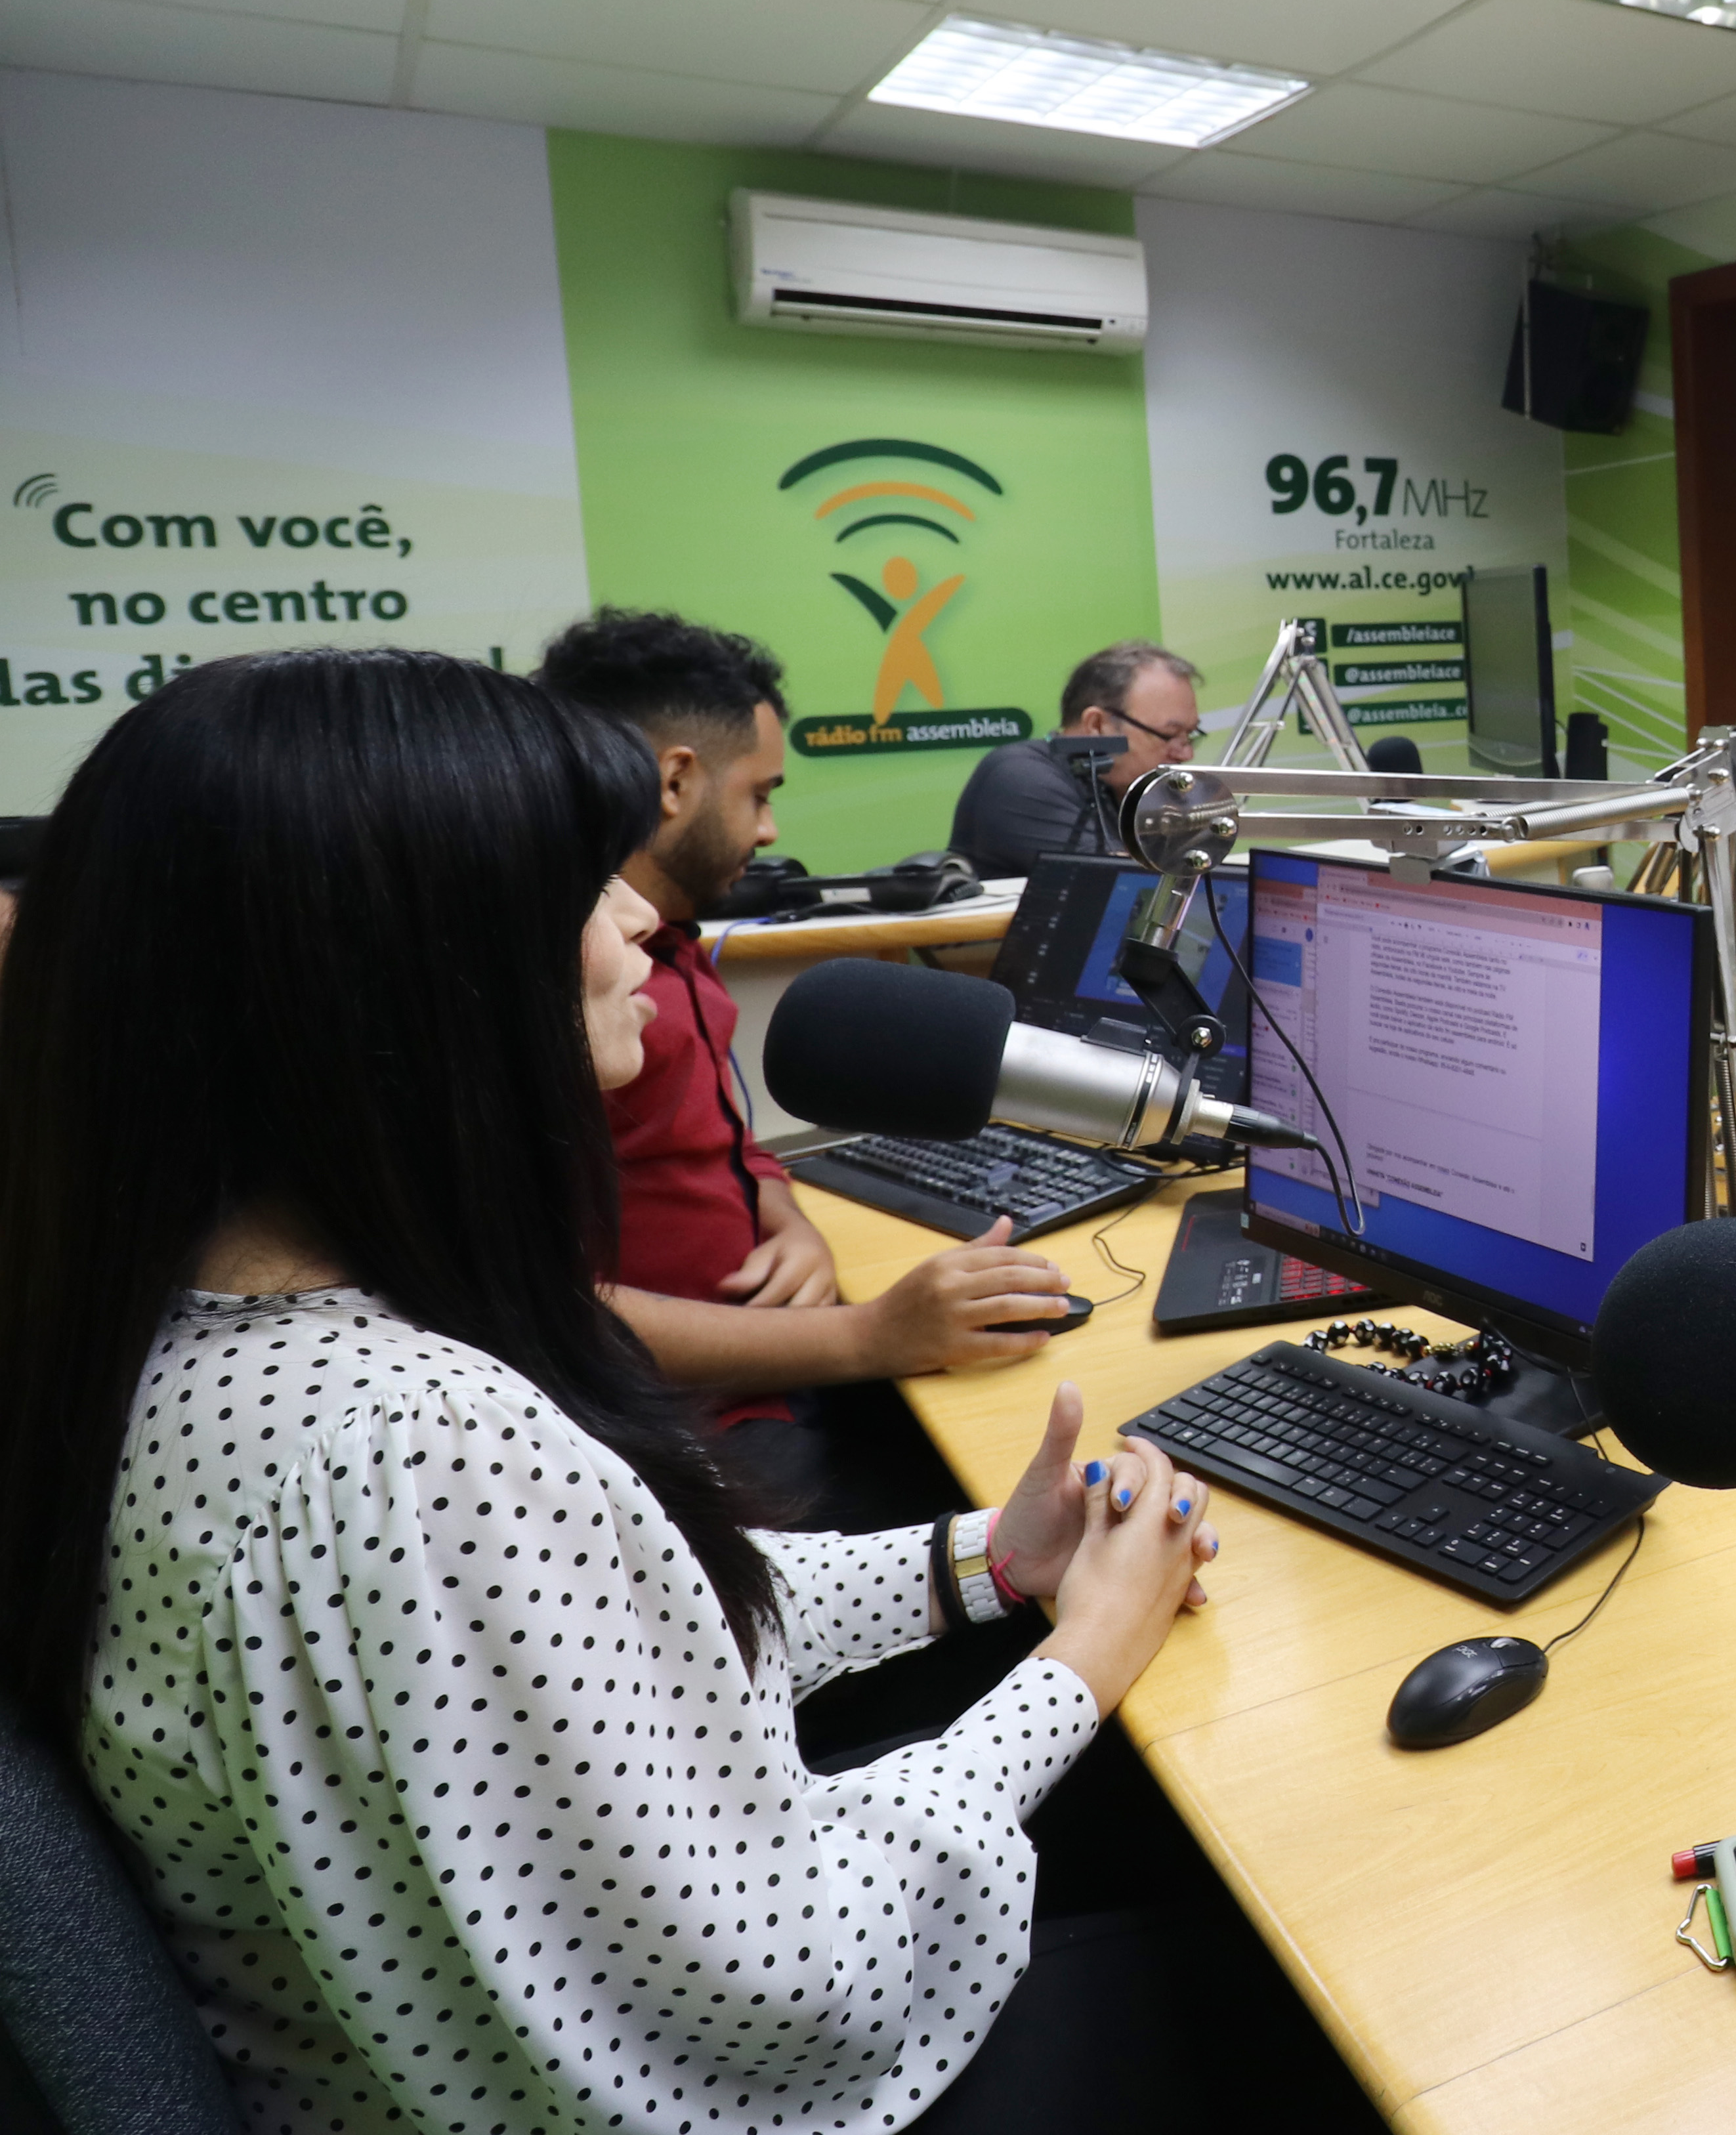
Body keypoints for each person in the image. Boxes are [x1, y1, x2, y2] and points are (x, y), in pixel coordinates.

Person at [0, 648, 1221, 2132]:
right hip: (745, 2063)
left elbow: (638, 1628)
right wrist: (1084, 1653)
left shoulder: (219, 1329)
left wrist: (982, 1564)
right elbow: (798, 1985)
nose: (638, 914)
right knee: (1249, 1946)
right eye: (583, 885)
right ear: (405, 975)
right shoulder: (404, 1454)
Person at [538, 608, 1067, 1517]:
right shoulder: (571, 1000)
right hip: (690, 1433)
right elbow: (551, 1310)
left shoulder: (673, 945)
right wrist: (868, 1335)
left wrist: (785, 1217)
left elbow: (725, 1145)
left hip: (779, 1372)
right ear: (675, 781)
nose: (771, 828)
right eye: (759, 793)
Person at [948, 641, 1204, 882]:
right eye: (1170, 735)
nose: (1186, 755)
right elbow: (1123, 879)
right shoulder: (1019, 776)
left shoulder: (1128, 787)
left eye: (1190, 736)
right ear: (1097, 725)